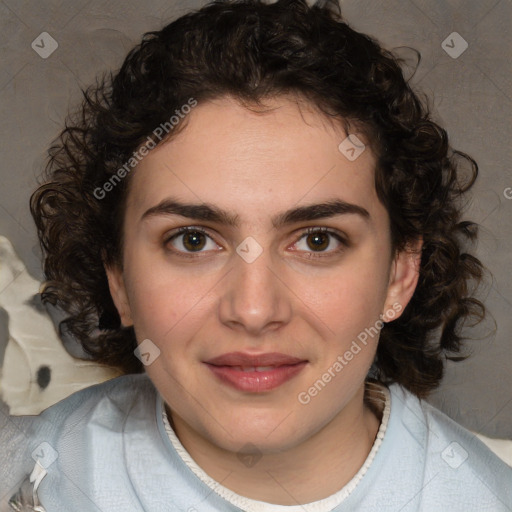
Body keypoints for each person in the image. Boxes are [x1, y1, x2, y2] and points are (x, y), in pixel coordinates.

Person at [1, 0, 511, 510]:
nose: (253, 310)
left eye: (317, 240)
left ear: (400, 275)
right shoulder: (31, 474)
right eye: (193, 240)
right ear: (119, 280)